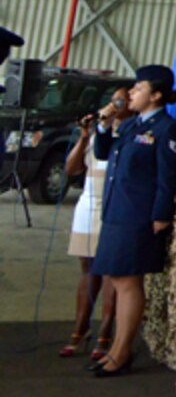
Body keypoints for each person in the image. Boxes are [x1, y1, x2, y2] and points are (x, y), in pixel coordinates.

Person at [89, 65, 176, 378]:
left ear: (156, 95)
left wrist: (160, 215)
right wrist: (103, 125)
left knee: (129, 282)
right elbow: (105, 154)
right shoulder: (131, 125)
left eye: (138, 89)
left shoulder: (167, 129)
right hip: (118, 210)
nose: (131, 93)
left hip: (139, 216)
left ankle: (122, 351)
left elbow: (167, 177)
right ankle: (116, 349)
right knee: (117, 279)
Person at [60, 87, 127, 361]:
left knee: (110, 271)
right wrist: (84, 136)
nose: (117, 104)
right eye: (114, 100)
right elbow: (72, 169)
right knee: (88, 269)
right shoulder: (99, 131)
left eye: (122, 100)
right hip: (89, 205)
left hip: (114, 206)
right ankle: (80, 329)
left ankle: (105, 334)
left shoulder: (129, 133)